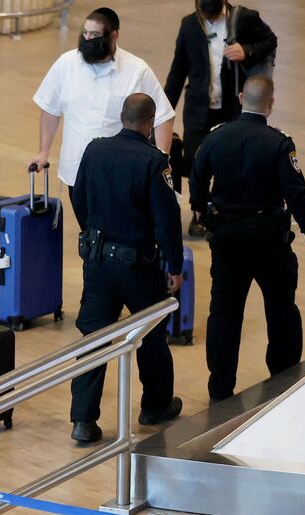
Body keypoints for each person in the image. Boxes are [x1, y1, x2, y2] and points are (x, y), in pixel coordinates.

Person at [189, 76, 305, 401]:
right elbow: (296, 193)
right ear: (271, 104)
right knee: (281, 309)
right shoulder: (279, 143)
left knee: (224, 312)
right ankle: (283, 381)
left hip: (227, 237)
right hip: (269, 239)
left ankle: (220, 388)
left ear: (240, 98)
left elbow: (197, 180)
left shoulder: (216, 137)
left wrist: (203, 212)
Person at [68, 94, 185, 443]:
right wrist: (174, 265)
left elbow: (78, 195)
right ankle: (155, 406)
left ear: (122, 117)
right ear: (150, 123)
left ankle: (83, 420)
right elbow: (166, 220)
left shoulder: (94, 150)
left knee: (94, 338)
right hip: (138, 267)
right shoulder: (154, 161)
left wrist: (93, 232)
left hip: (98, 262)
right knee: (151, 333)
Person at [31, 7, 175, 203]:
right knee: (85, 221)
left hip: (119, 173)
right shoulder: (66, 64)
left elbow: (163, 116)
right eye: (85, 33)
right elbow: (50, 109)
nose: (88, 40)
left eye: (95, 35)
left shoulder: (137, 70)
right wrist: (43, 152)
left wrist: (163, 158)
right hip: (76, 170)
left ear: (113, 36)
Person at [165, 0, 277, 236]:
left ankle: (219, 210)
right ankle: (198, 210)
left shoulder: (244, 19)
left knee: (227, 161)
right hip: (198, 107)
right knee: (195, 160)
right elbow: (178, 71)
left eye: (214, 17)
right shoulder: (189, 25)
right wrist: (165, 112)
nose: (209, 21)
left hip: (231, 107)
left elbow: (270, 40)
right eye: (205, 17)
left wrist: (247, 50)